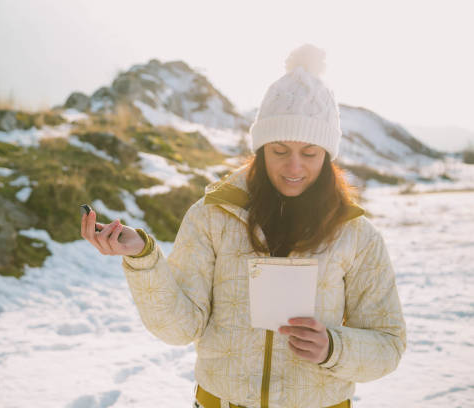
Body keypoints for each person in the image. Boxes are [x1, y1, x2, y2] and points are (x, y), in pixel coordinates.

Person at [81, 43, 407, 408]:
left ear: (328, 155)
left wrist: (334, 347)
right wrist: (142, 258)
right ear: (261, 148)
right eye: (280, 151)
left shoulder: (357, 236)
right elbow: (180, 328)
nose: (294, 167)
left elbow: (389, 344)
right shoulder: (212, 216)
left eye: (310, 153)